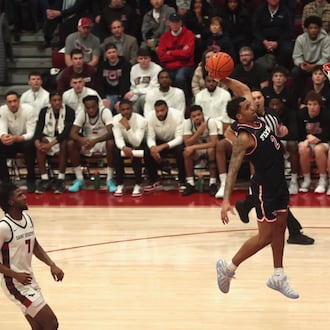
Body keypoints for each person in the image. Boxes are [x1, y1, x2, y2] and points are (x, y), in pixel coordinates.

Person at [217, 77, 299, 299]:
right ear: (239, 117)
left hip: (279, 183)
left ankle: (278, 276)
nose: (252, 106)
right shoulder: (244, 137)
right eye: (247, 107)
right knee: (265, 238)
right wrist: (225, 200)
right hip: (264, 190)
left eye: (251, 104)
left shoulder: (258, 118)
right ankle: (228, 268)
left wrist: (223, 79)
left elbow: (242, 89)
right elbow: (233, 168)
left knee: (281, 227)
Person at [0, 181, 64, 329]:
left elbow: (35, 245)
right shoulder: (4, 227)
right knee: (51, 322)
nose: (25, 197)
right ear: (11, 202)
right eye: (19, 195)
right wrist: (14, 274)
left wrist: (52, 264)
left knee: (39, 327)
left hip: (28, 279)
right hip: (14, 284)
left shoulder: (27, 219)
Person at [68, 95, 117, 193]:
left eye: (93, 107)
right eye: (88, 108)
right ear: (84, 107)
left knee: (111, 143)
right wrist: (82, 140)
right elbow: (72, 133)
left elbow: (111, 133)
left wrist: (96, 141)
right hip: (88, 143)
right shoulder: (82, 113)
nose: (90, 110)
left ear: (98, 105)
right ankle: (79, 179)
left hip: (102, 142)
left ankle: (110, 179)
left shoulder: (105, 112)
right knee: (71, 143)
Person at [34, 91, 75, 194]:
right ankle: (44, 179)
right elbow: (39, 128)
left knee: (64, 142)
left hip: (61, 139)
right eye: (54, 100)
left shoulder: (69, 111)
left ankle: (60, 179)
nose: (57, 102)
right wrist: (37, 141)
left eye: (59, 100)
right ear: (50, 102)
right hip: (48, 138)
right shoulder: (44, 111)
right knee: (41, 143)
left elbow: (66, 132)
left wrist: (50, 144)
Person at [145, 99, 186, 191]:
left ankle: (182, 180)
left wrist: (162, 147)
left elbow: (179, 138)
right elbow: (150, 137)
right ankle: (153, 179)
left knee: (181, 150)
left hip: (174, 142)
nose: (159, 113)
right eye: (157, 111)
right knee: (147, 151)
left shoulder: (177, 115)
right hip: (159, 141)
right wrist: (153, 148)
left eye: (162, 110)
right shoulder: (150, 116)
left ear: (167, 109)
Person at [0, 91, 37, 193]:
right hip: (11, 141)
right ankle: (6, 181)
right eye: (10, 102)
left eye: (15, 101)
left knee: (29, 145)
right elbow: (2, 128)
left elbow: (31, 133)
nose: (12, 104)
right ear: (6, 103)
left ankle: (31, 179)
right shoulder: (2, 110)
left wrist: (16, 138)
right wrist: (3, 136)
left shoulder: (28, 110)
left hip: (25, 140)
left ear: (19, 101)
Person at [157, 12, 195, 103]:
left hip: (185, 66)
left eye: (177, 22)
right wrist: (180, 54)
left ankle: (185, 102)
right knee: (162, 77)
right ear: (169, 23)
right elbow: (162, 57)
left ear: (180, 22)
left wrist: (170, 53)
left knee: (180, 77)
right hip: (169, 67)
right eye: (172, 22)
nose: (174, 24)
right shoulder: (164, 37)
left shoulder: (189, 34)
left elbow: (188, 54)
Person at [296, 90, 330, 193]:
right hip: (308, 141)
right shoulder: (301, 114)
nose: (312, 107)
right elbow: (298, 133)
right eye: (309, 104)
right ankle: (307, 180)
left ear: (319, 105)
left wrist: (315, 138)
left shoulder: (326, 113)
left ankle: (323, 180)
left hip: (324, 141)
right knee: (303, 148)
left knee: (319, 149)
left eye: (315, 104)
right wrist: (307, 138)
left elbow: (327, 134)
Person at [112, 99, 147, 197]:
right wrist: (123, 148)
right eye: (123, 110)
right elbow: (118, 138)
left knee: (136, 152)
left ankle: (138, 184)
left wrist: (128, 128)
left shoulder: (141, 120)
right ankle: (119, 184)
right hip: (124, 144)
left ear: (132, 109)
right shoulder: (115, 119)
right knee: (116, 152)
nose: (125, 112)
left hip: (139, 143)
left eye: (128, 109)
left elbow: (136, 142)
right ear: (119, 110)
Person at [181, 104, 218, 196]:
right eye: (194, 116)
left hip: (207, 148)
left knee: (211, 150)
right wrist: (198, 132)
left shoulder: (210, 121)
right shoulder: (187, 123)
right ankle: (190, 183)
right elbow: (187, 143)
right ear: (190, 117)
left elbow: (213, 143)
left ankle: (212, 182)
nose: (197, 117)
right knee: (186, 152)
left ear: (203, 114)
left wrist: (193, 147)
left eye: (199, 115)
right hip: (196, 149)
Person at [292, 15, 330, 99]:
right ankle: (300, 98)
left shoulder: (326, 39)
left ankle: (326, 97)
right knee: (295, 72)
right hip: (305, 65)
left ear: (319, 29)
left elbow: (326, 57)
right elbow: (296, 56)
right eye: (310, 28)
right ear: (306, 29)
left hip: (320, 66)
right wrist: (301, 64)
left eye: (315, 28)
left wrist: (315, 65)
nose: (313, 30)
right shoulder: (300, 39)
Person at [251, 0, 293, 67]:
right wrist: (264, 41)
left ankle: (280, 70)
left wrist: (277, 42)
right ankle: (258, 69)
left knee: (287, 50)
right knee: (254, 48)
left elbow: (288, 31)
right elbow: (255, 30)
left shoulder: (285, 11)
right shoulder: (260, 10)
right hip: (263, 40)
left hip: (280, 40)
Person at [124, 47, 162, 114]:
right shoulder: (134, 69)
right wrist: (131, 97)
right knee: (128, 103)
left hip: (152, 95)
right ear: (137, 59)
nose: (143, 61)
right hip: (137, 95)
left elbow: (153, 88)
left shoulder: (157, 69)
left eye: (145, 58)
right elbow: (133, 87)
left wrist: (135, 92)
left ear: (150, 58)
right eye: (141, 59)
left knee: (143, 98)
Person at [96, 42, 131, 114]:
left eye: (113, 52)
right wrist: (103, 98)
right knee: (104, 110)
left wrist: (121, 100)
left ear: (117, 52)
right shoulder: (102, 66)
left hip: (122, 95)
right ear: (105, 54)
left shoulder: (126, 65)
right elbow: (99, 84)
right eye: (109, 53)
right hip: (108, 95)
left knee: (124, 109)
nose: (112, 54)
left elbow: (126, 83)